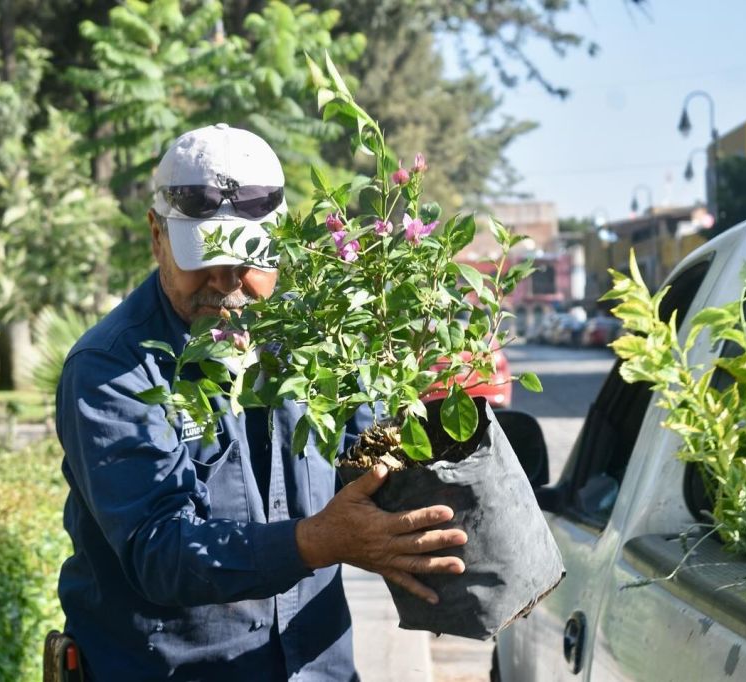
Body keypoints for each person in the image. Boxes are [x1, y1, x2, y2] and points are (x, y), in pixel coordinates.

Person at [55, 123, 468, 681]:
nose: (227, 282)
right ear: (157, 236)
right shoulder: (112, 368)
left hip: (317, 666)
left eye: (250, 260)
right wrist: (316, 542)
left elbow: (367, 457)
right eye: (204, 258)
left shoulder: (316, 335)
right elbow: (161, 552)